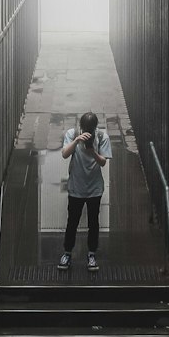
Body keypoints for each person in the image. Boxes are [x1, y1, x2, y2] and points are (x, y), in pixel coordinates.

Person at [59, 110, 111, 271]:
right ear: (81, 127)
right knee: (72, 222)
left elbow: (103, 162)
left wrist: (92, 152)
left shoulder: (102, 137)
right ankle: (67, 253)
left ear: (95, 128)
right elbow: (64, 154)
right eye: (85, 129)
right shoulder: (72, 134)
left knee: (93, 223)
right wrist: (76, 141)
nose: (88, 133)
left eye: (90, 130)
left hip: (95, 188)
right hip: (76, 187)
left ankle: (92, 254)